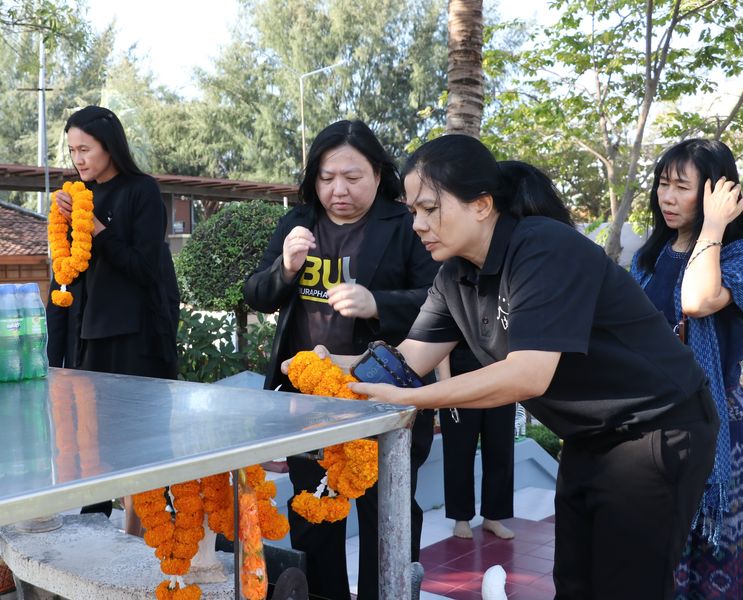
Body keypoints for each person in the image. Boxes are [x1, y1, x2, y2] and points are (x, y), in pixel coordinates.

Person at [285, 135, 720, 600]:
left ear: (481, 204)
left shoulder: (542, 248)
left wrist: (412, 399)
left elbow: (527, 374)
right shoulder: (454, 275)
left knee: (626, 586)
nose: (418, 224)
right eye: (412, 212)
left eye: (430, 208)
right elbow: (407, 359)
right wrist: (330, 365)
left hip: (657, 426)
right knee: (574, 583)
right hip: (589, 436)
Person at [243, 120, 438, 600]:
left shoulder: (404, 225)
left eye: (352, 177)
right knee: (314, 516)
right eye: (327, 178)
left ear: (378, 174)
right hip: (308, 402)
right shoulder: (298, 222)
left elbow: (440, 299)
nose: (338, 190)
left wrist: (378, 304)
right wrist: (286, 268)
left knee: (385, 513)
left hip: (381, 396)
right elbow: (257, 294)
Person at [51, 105, 180, 534]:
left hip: (135, 338)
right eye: (72, 151)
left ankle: (149, 534)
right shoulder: (79, 194)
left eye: (85, 149)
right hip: (88, 334)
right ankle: (93, 533)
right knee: (91, 442)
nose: (78, 159)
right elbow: (68, 272)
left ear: (110, 146)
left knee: (138, 445)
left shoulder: (141, 191)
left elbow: (145, 268)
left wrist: (98, 230)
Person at [630, 139, 743, 599]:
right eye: (663, 184)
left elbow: (697, 300)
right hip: (652, 424)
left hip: (715, 425)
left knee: (710, 554)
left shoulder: (735, 256)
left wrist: (713, 225)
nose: (668, 197)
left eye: (682, 187)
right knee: (653, 551)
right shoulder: (648, 257)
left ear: (716, 192)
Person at [438, 345, 515, 540]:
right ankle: (461, 517)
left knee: (500, 449)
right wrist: (446, 385)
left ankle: (493, 517)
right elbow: (441, 343)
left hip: (502, 382)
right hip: (461, 381)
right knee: (458, 452)